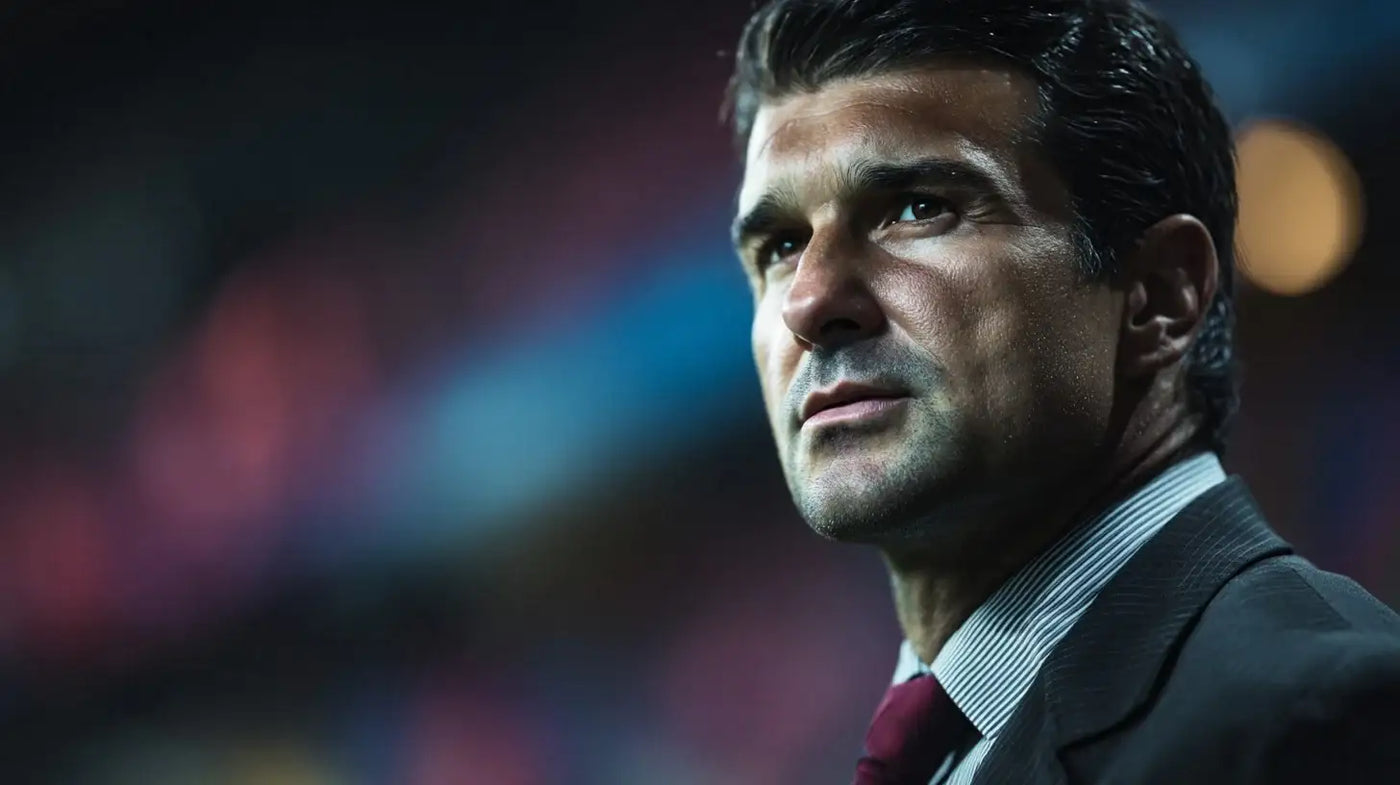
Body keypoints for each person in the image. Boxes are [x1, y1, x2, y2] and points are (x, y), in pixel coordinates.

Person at [721, 1, 1400, 783]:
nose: (808, 302)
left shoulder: (1314, 720)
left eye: (918, 208)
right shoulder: (962, 738)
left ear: (1159, 296)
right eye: (780, 246)